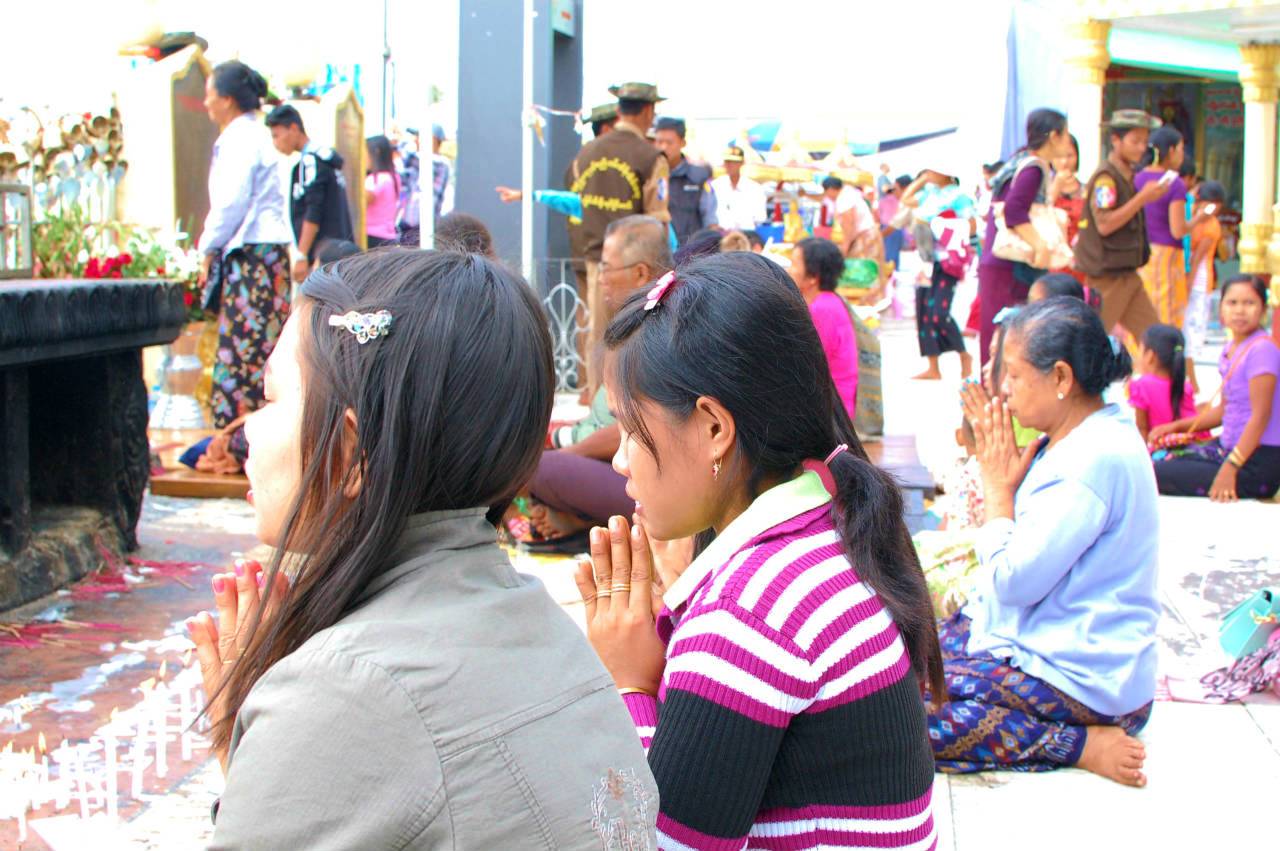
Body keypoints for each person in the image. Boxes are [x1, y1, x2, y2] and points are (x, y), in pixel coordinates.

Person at [188, 250, 657, 848]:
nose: (250, 427)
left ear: (350, 452)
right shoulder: (535, 616)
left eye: (272, 397)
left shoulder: (344, 686)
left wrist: (255, 739)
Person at [577, 251, 942, 850]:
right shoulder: (829, 513)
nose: (619, 459)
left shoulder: (745, 616)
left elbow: (659, 844)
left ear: (714, 428)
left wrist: (630, 686)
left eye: (630, 430)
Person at [937, 297, 1158, 786]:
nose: (1006, 391)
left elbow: (1012, 584)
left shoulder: (1091, 461)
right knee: (899, 659)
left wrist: (998, 494)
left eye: (1014, 376)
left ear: (1061, 378)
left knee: (903, 720)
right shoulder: (1083, 436)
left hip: (1085, 676)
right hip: (1051, 645)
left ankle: (1076, 743)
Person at [526, 215, 673, 546]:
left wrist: (572, 454)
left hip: (645, 478)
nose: (601, 279)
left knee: (533, 467)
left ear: (640, 272)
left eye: (606, 268)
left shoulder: (659, 330)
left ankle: (585, 520)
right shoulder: (636, 324)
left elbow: (642, 424)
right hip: (614, 462)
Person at [197, 61, 293, 434]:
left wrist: (207, 247)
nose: (205, 103)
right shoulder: (253, 134)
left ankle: (240, 439)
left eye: (209, 94)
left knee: (245, 352)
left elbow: (231, 203)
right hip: (263, 255)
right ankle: (250, 436)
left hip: (253, 256)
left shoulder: (241, 138)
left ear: (226, 99)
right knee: (258, 348)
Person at [569, 82, 671, 392]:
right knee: (640, 339)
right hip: (637, 267)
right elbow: (658, 218)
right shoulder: (651, 157)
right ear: (648, 110)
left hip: (593, 258)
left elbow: (573, 203)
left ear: (618, 110)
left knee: (598, 337)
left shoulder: (585, 154)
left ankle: (597, 407)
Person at [1151, 275, 1280, 500]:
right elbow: (1225, 410)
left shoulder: (1262, 350)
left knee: (1154, 473)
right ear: (1221, 309)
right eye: (1232, 303)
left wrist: (1230, 468)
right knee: (1159, 456)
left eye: (1249, 303)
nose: (1240, 310)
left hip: (1255, 461)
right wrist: (1176, 427)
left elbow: (1261, 416)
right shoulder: (1232, 347)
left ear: (1263, 310)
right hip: (1228, 449)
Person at [978, 108, 1074, 366]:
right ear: (1054, 135)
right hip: (1010, 265)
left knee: (1000, 334)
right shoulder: (1033, 168)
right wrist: (1040, 245)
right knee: (1008, 336)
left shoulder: (1019, 160)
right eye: (1065, 135)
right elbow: (1014, 211)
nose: (1068, 142)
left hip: (999, 262)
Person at [1075, 110, 1170, 345]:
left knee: (1156, 340)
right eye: (1135, 141)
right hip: (1108, 278)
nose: (1141, 148)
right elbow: (1105, 225)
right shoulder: (1106, 178)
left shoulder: (1127, 176)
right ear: (1116, 140)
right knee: (1089, 345)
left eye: (1144, 142)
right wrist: (1142, 198)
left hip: (1127, 273)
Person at [264, 105, 354, 283]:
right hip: (339, 250)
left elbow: (314, 210)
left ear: (294, 128)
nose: (275, 143)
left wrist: (302, 255)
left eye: (277, 135)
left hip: (324, 255)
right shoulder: (324, 160)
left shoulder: (311, 162)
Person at [901, 169, 977, 380]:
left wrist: (943, 226)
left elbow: (971, 225)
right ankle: (933, 366)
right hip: (925, 260)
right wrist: (922, 180)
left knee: (938, 313)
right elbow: (906, 198)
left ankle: (964, 355)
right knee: (924, 312)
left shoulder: (959, 196)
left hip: (947, 261)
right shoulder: (929, 193)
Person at [1134, 126, 1212, 327]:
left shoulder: (1137, 178)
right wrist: (1199, 219)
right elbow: (1178, 229)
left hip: (1140, 253)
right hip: (1166, 256)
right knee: (1166, 312)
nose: (1182, 155)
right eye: (1180, 149)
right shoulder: (1173, 183)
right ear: (1170, 151)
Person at [788, 237, 859, 416]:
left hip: (831, 407)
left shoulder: (822, 309)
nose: (789, 270)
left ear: (813, 277)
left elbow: (809, 361)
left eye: (794, 264)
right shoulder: (827, 301)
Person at [1129, 323, 1198, 443]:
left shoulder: (1141, 385)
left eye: (1140, 349)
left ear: (1150, 356)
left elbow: (1142, 428)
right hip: (1192, 445)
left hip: (1163, 450)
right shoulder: (1185, 385)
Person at [653, 116, 716, 246]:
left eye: (669, 142)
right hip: (657, 253)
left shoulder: (698, 177)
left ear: (682, 143)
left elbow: (710, 219)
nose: (663, 148)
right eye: (659, 142)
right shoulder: (649, 175)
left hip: (691, 253)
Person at [1185, 180, 1226, 376]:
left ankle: (1193, 359)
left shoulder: (1211, 226)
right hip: (1185, 272)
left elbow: (1197, 259)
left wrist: (1188, 281)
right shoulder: (1190, 216)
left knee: (1196, 319)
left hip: (1199, 276)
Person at [1046, 134, 1085, 281]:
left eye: (1070, 156)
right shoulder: (1044, 189)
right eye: (1058, 156)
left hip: (1082, 260)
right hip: (1053, 262)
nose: (1064, 162)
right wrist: (1056, 186)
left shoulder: (1086, 189)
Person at [710, 145, 767, 232]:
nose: (730, 165)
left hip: (747, 236)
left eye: (734, 162)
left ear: (742, 163)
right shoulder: (715, 186)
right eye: (727, 161)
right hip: (720, 236)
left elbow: (760, 218)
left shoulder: (755, 189)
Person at [364, 135, 400, 248]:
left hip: (371, 236)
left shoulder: (375, 179)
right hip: (388, 236)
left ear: (376, 153)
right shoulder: (394, 177)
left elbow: (363, 200)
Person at [429, 124, 452, 222]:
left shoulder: (441, 163)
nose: (417, 139)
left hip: (431, 221)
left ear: (434, 139)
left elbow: (434, 197)